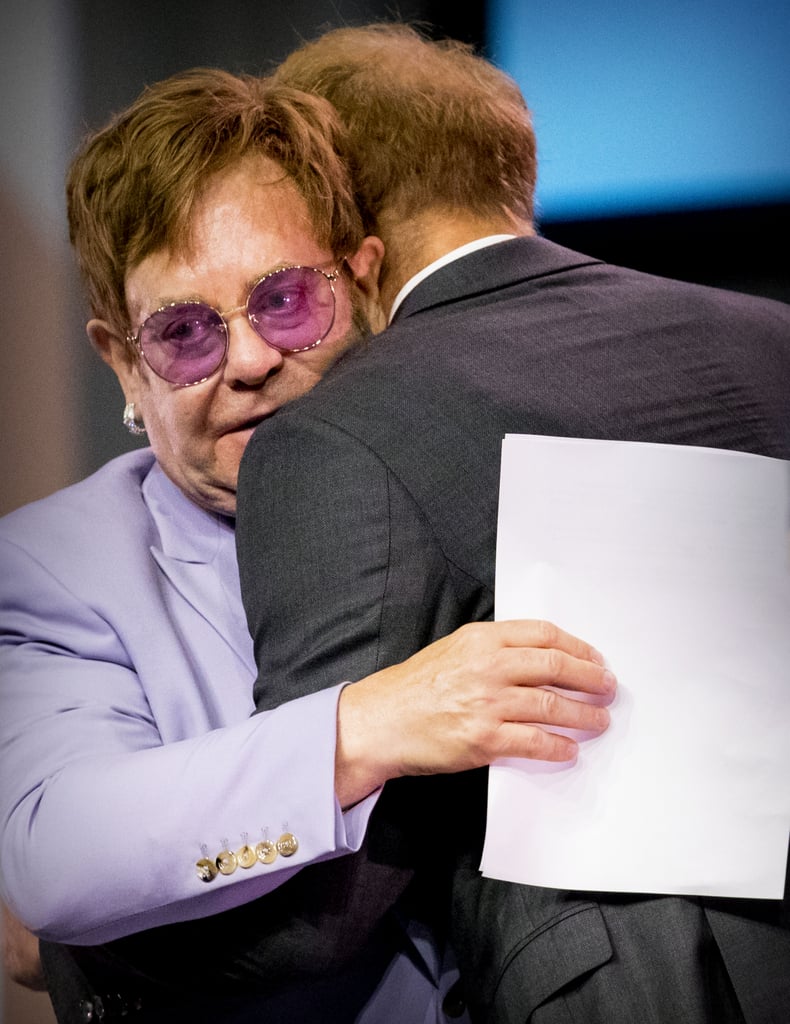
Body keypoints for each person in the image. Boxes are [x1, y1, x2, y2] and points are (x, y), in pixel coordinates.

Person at [0, 67, 615, 1023]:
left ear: (365, 284)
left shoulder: (495, 475)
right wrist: (362, 729)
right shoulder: (53, 567)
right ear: (124, 361)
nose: (247, 361)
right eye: (184, 333)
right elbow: (53, 853)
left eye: (285, 301)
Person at [231, 22, 790, 1024]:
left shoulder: (339, 434)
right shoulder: (773, 338)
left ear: (329, 205)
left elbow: (330, 875)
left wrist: (79, 962)